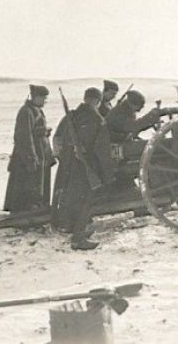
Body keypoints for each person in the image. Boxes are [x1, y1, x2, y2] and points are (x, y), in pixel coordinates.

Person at [52, 87, 111, 250]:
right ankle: (78, 238)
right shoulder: (97, 118)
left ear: (85, 98)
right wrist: (105, 171)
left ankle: (72, 228)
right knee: (86, 199)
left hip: (69, 164)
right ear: (98, 101)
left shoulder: (70, 116)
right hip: (86, 165)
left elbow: (57, 139)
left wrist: (64, 157)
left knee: (72, 196)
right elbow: (102, 148)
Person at [4, 85, 54, 213]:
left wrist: (43, 132)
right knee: (28, 184)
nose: (45, 101)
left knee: (36, 184)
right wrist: (31, 158)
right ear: (36, 97)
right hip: (29, 156)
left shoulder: (36, 110)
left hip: (38, 154)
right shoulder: (26, 112)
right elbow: (24, 136)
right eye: (43, 98)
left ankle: (36, 208)